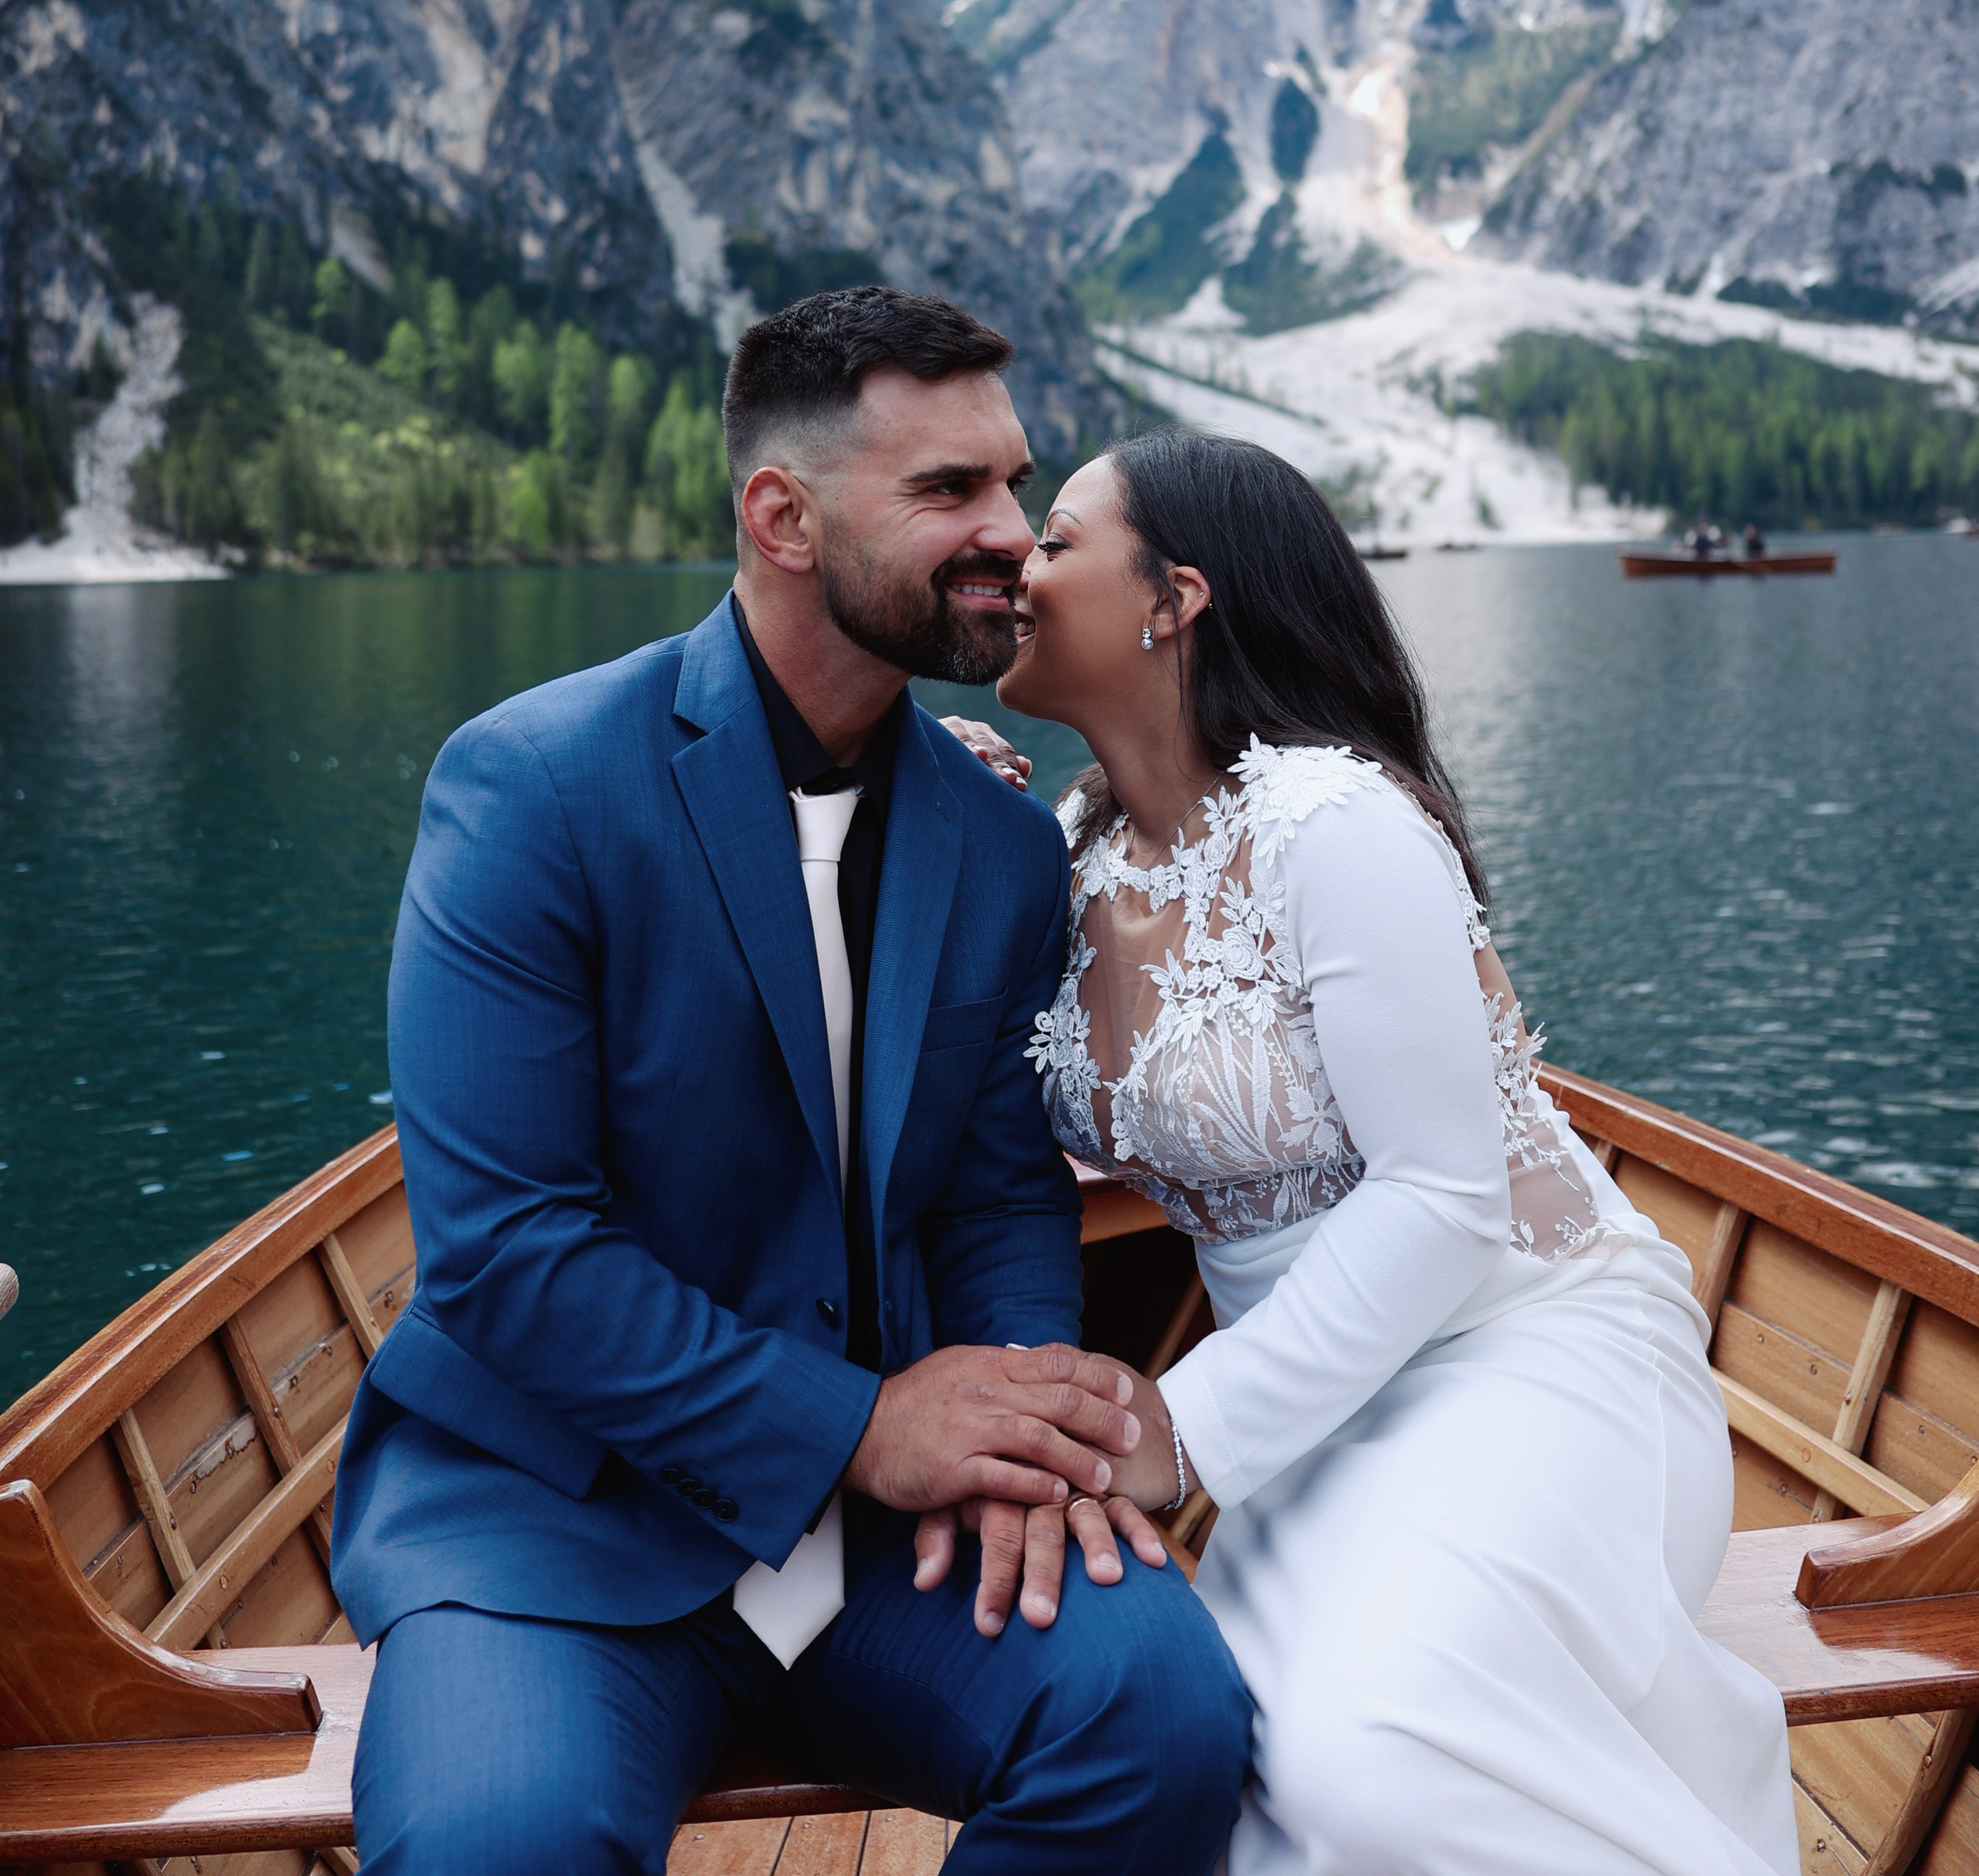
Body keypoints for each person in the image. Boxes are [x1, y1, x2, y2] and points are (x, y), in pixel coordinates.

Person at [330, 292, 1249, 1874]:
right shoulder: (530, 786)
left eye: (1016, 485)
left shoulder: (999, 845)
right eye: (950, 489)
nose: (1012, 534)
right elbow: (506, 1257)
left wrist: (1017, 1423)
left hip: (896, 1540)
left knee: (1159, 1720)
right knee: (498, 1844)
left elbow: (994, 1193)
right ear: (783, 518)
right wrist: (861, 1425)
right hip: (558, 1524)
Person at [971, 425, 1797, 1876]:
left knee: (1370, 1763)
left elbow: (1443, 1198)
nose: (1014, 569)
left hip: (1524, 1356)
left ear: (1174, 600)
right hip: (1313, 1417)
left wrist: (1179, 1431)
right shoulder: (1069, 845)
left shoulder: (1334, 825)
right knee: (1234, 1760)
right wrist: (928, 809)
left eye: (1055, 540)